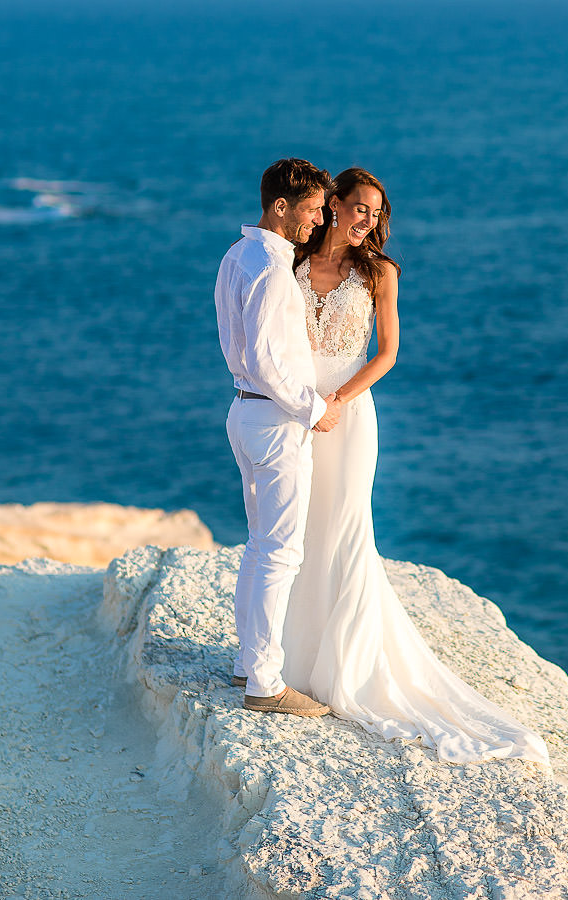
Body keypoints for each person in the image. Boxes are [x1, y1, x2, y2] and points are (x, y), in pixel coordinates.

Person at [281, 167, 549, 765]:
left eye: (376, 214)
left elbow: (388, 353)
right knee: (300, 529)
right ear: (332, 206)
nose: (367, 221)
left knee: (346, 529)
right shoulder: (291, 264)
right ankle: (295, 664)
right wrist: (299, 404)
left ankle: (346, 669)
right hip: (296, 414)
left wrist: (336, 403)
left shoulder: (380, 273)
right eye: (358, 209)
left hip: (347, 418)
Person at [216, 158, 340, 717]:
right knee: (281, 551)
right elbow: (267, 359)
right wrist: (313, 408)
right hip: (273, 417)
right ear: (281, 206)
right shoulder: (268, 264)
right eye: (313, 210)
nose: (319, 221)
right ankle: (265, 683)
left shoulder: (237, 255)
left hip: (245, 411)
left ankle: (248, 663)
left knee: (260, 543)